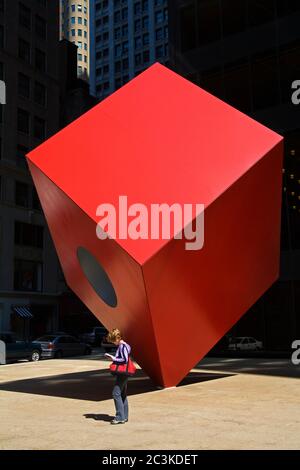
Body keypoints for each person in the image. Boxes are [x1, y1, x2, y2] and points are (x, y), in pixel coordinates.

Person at [105, 328, 131, 425]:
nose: (113, 343)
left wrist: (113, 358)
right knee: (122, 394)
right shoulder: (124, 346)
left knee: (116, 393)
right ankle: (124, 416)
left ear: (117, 338)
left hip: (122, 373)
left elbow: (124, 360)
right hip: (125, 373)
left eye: (113, 341)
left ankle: (120, 417)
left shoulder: (122, 346)